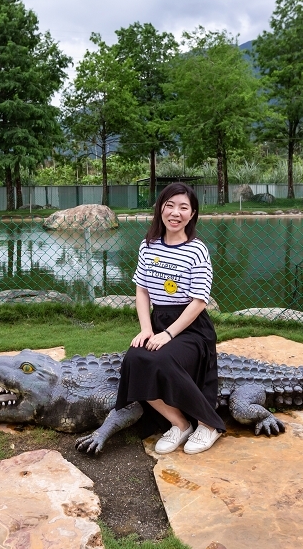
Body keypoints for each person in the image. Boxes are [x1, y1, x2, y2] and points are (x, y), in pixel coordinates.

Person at [114, 182, 225, 454]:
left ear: (193, 213)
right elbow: (141, 289)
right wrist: (146, 329)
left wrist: (168, 334)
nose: (176, 213)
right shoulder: (148, 245)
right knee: (135, 359)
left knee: (164, 359)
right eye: (170, 205)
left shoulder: (197, 249)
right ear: (160, 209)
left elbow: (199, 301)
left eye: (183, 207)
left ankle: (208, 425)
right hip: (158, 321)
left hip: (191, 328)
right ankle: (180, 423)